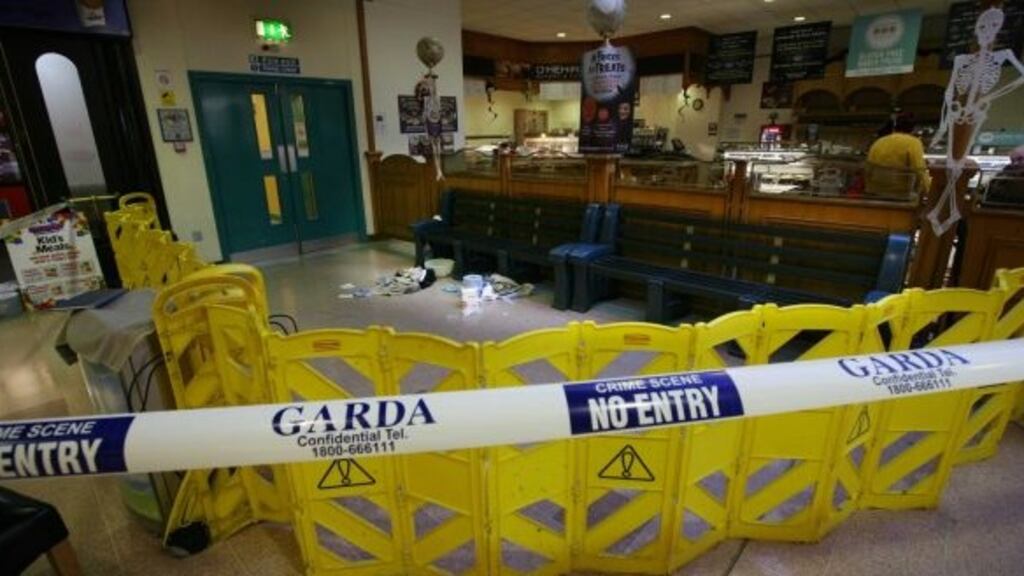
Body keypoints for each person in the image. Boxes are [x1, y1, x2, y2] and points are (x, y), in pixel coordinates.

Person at [866, 114, 932, 198]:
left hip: (876, 192)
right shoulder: (913, 143)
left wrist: (868, 189)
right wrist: (929, 190)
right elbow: (919, 169)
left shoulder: (879, 141)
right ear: (913, 129)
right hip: (901, 193)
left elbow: (868, 168)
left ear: (895, 126)